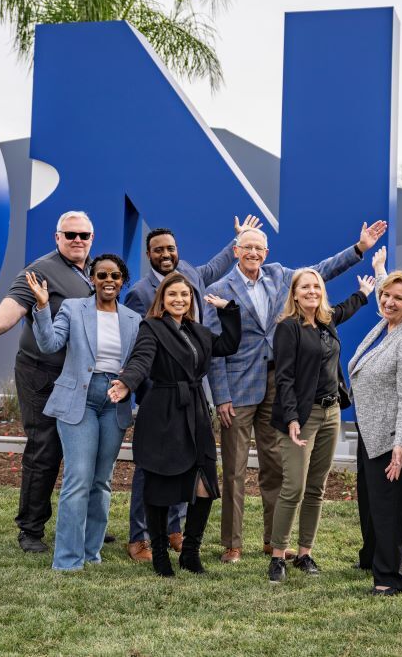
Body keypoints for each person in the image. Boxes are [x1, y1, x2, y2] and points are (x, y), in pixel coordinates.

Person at [206, 220, 388, 564]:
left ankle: (273, 539)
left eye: (259, 248)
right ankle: (232, 543)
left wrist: (359, 249)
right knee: (234, 469)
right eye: (247, 248)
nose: (254, 253)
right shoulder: (221, 288)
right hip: (239, 387)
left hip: (278, 385)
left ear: (266, 253)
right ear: (236, 251)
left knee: (277, 467)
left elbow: (319, 273)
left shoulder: (279, 276)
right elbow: (216, 348)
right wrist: (221, 396)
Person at [122, 215, 262, 563]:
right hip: (159, 395)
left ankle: (176, 531)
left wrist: (240, 239)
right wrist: (133, 383)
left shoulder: (193, 283)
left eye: (170, 248)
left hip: (192, 400)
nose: (165, 254)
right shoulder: (140, 293)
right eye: (158, 250)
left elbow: (218, 267)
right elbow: (139, 349)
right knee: (152, 470)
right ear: (149, 254)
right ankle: (139, 537)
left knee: (189, 468)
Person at [0, 210, 95, 553]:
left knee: (81, 451)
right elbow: (16, 302)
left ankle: (80, 522)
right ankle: (31, 530)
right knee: (45, 449)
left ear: (91, 239)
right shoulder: (40, 270)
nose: (77, 241)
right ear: (57, 237)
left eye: (83, 235)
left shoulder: (88, 273)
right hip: (41, 373)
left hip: (76, 376)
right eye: (69, 235)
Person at [107, 272, 241, 577]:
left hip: (195, 411)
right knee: (158, 487)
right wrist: (127, 384)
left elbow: (229, 345)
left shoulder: (199, 331)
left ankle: (190, 553)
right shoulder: (151, 327)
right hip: (164, 413)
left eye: (185, 295)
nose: (179, 299)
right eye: (173, 295)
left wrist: (228, 309)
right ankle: (159, 555)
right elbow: (141, 360)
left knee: (205, 484)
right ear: (162, 300)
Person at [24, 254, 141, 571]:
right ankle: (68, 559)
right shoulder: (74, 309)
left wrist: (128, 385)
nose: (108, 280)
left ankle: (91, 552)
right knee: (78, 478)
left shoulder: (133, 319)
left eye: (115, 275)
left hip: (114, 402)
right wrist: (42, 307)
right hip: (80, 399)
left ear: (122, 280)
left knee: (101, 481)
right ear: (92, 278)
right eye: (102, 274)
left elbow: (137, 363)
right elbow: (49, 344)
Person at [266, 269, 376, 583]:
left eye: (316, 286)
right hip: (301, 416)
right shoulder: (288, 328)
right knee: (294, 488)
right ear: (295, 293)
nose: (312, 291)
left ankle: (304, 553)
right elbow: (284, 378)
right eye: (305, 287)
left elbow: (344, 309)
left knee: (317, 487)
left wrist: (364, 294)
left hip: (331, 414)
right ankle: (278, 557)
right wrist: (291, 419)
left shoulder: (326, 321)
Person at [348, 250, 402, 596]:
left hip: (393, 431)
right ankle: (371, 557)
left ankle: (390, 578)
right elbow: (390, 292)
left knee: (389, 504)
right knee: (370, 499)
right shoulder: (388, 326)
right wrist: (380, 271)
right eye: (385, 294)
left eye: (397, 298)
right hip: (371, 427)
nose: (387, 300)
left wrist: (400, 446)